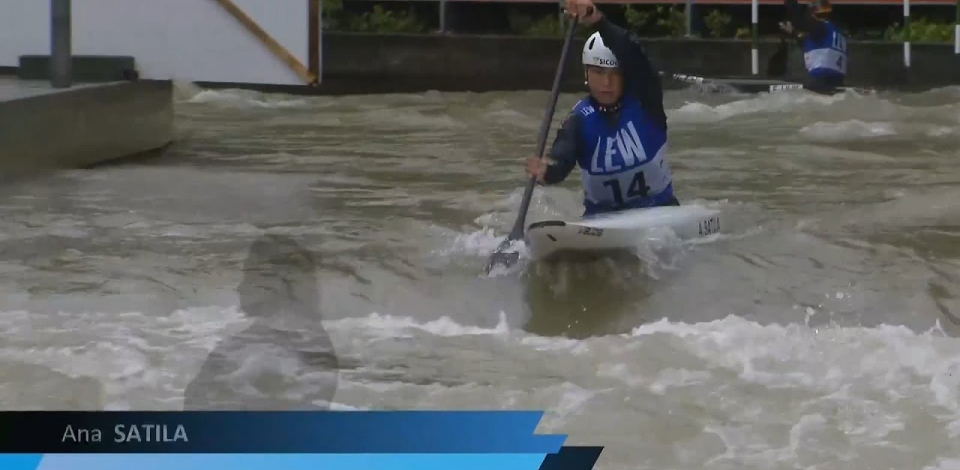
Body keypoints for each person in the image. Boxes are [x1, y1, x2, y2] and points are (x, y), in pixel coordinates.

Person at [524, 0, 679, 218]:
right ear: (586, 74)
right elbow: (562, 157)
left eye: (614, 74)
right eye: (598, 73)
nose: (607, 83)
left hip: (658, 210)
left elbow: (633, 53)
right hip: (603, 220)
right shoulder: (578, 119)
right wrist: (547, 171)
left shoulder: (646, 100)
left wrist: (599, 22)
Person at [779, 0, 848, 94]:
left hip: (820, 79)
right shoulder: (835, 32)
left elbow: (797, 18)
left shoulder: (820, 27)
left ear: (812, 14)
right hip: (837, 81)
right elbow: (807, 42)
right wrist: (793, 33)